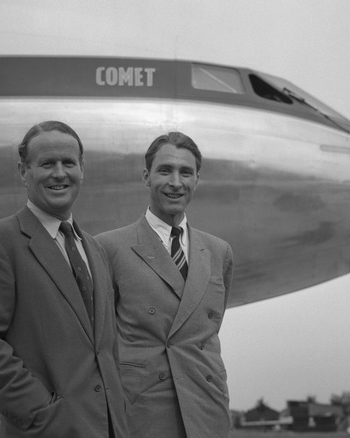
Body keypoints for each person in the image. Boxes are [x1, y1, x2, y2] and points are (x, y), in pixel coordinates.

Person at [0, 121, 128, 438]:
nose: (59, 174)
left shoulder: (96, 251)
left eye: (68, 163)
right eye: (47, 164)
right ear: (24, 171)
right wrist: (43, 414)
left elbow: (105, 351)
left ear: (82, 169)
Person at [96, 132, 234, 438]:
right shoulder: (108, 248)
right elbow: (99, 339)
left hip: (206, 411)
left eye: (186, 172)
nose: (175, 182)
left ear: (198, 179)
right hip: (141, 414)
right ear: (146, 177)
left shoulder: (219, 251)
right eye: (164, 171)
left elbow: (205, 329)